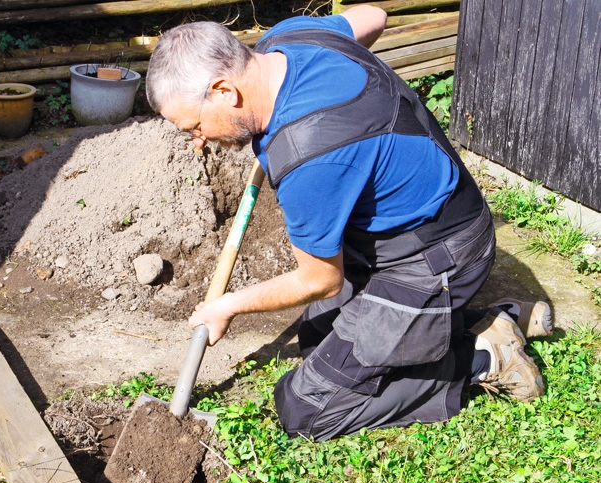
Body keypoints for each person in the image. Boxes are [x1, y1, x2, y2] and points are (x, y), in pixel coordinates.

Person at [145, 6, 553, 441]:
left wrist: (227, 305)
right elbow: (374, 16)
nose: (198, 141)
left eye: (195, 126)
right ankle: (490, 319)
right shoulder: (289, 39)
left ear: (226, 90)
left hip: (438, 255)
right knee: (319, 336)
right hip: (421, 223)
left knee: (304, 409)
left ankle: (483, 356)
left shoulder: (310, 154)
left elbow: (320, 279)